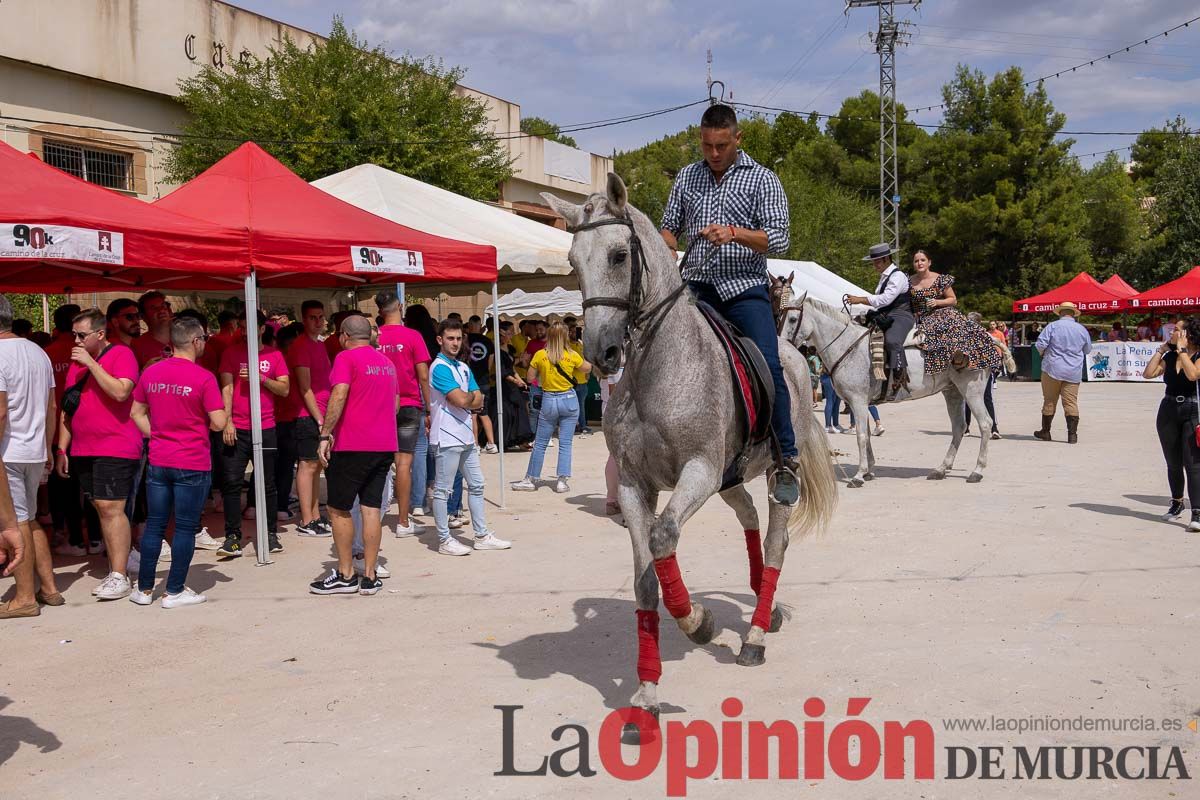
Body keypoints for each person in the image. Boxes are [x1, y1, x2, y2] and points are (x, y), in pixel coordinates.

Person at [660, 103, 799, 504]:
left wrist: (735, 233)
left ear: (738, 138)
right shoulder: (687, 177)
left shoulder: (763, 179)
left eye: (721, 145)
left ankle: (785, 458)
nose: (714, 153)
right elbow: (670, 229)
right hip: (697, 287)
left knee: (769, 366)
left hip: (744, 289)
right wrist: (667, 247)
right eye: (707, 145)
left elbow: (780, 239)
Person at [128, 317, 226, 608]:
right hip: (192, 460)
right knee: (184, 527)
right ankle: (174, 590)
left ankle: (144, 590)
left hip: (159, 458)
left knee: (155, 526)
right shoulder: (204, 377)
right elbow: (219, 422)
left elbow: (136, 412)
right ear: (196, 342)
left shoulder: (153, 372)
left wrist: (156, 434)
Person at [56, 308, 144, 599]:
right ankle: (122, 558)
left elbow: (121, 392)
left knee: (111, 508)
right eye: (74, 335)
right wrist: (61, 448)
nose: (76, 340)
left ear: (100, 334)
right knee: (100, 508)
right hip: (83, 447)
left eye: (82, 335)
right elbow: (69, 408)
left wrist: (92, 364)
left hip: (115, 445)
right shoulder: (76, 364)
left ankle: (118, 574)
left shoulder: (120, 355)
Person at [309, 316, 398, 596]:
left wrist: (325, 433)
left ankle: (346, 574)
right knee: (372, 509)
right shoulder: (386, 363)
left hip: (351, 445)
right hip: (384, 445)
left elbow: (339, 394)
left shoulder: (346, 359)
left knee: (338, 508)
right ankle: (370, 576)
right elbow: (395, 403)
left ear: (345, 335)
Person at [428, 319, 509, 555]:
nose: (455, 343)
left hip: (465, 436)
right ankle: (444, 539)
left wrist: (471, 398)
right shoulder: (439, 367)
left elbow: (479, 397)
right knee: (443, 491)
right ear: (440, 340)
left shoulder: (463, 367)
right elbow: (464, 400)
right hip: (446, 437)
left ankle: (482, 535)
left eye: (458, 338)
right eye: (450, 338)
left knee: (477, 485)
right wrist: (471, 398)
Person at [0, 295, 59, 618]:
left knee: (15, 520)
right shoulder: (38, 351)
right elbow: (51, 405)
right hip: (34, 450)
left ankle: (24, 597)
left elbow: (0, 412)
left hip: (7, 452)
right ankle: (48, 588)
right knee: (29, 518)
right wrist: (47, 445)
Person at [216, 311, 289, 557]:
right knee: (232, 483)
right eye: (242, 327)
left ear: (261, 329)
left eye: (250, 327)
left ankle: (269, 533)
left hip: (266, 427)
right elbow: (226, 387)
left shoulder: (274, 354)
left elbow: (285, 389)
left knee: (267, 484)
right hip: (237, 427)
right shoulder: (231, 353)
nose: (245, 332)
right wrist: (227, 421)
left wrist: (261, 378)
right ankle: (232, 537)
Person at [375, 292, 432, 538]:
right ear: (400, 306)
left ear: (379, 310)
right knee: (404, 464)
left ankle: (373, 517)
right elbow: (423, 375)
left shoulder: (373, 337)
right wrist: (430, 408)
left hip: (378, 406)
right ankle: (403, 521)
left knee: (377, 464)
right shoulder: (412, 336)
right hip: (409, 405)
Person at [511, 321, 592, 493]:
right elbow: (587, 368)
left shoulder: (541, 354)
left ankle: (531, 478)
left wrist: (543, 377)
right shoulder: (572, 354)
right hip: (569, 399)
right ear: (564, 336)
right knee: (565, 443)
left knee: (540, 443)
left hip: (549, 399)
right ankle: (562, 480)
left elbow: (531, 377)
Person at [907, 250, 1002, 379]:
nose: (919, 263)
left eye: (922, 260)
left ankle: (960, 356)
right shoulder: (909, 281)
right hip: (920, 317)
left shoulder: (940, 279)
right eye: (916, 261)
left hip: (941, 312)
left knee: (956, 326)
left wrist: (937, 302)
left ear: (929, 262)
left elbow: (953, 299)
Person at [1144, 318, 1200, 530]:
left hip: (1192, 410)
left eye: (1175, 330)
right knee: (1173, 461)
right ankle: (1176, 504)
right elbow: (1148, 373)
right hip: (1168, 409)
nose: (1171, 333)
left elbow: (1193, 374)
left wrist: (1184, 351)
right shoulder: (1169, 355)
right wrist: (1161, 350)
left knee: (1193, 464)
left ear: (1187, 334)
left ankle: (1197, 511)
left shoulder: (1197, 355)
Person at [846, 243, 914, 401]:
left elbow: (886, 299)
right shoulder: (885, 276)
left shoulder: (897, 276)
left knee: (892, 340)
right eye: (873, 262)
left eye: (876, 261)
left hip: (901, 314)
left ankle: (900, 382)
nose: (874, 265)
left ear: (886, 259)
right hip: (887, 314)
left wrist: (860, 300)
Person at [43, 303, 84, 552]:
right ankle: (93, 539)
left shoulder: (48, 354)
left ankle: (67, 534)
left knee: (62, 488)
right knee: (87, 489)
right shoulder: (87, 353)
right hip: (86, 431)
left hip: (57, 431)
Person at [289, 300, 332, 537]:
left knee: (316, 466)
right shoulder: (301, 346)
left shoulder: (319, 345)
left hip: (322, 414)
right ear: (304, 319)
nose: (318, 322)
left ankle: (315, 515)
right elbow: (305, 388)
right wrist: (318, 419)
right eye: (313, 317)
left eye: (321, 317)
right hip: (308, 415)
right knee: (307, 465)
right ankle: (306, 519)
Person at [1034, 302, 1092, 444]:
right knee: (1071, 402)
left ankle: (1046, 432)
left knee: (1049, 400)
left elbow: (1040, 344)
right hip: (1073, 371)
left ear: (1060, 313)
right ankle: (1072, 435)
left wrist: (1043, 354)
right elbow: (1088, 350)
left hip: (1052, 368)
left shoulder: (1052, 326)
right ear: (1073, 314)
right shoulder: (1082, 329)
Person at [273, 323, 303, 523]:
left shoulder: (274, 358)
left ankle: (256, 504)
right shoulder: (287, 361)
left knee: (275, 465)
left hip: (277, 418)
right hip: (287, 418)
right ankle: (280, 505)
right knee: (285, 466)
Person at [489, 321, 533, 452]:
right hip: (502, 385)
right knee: (505, 413)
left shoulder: (510, 349)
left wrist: (521, 381)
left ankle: (521, 440)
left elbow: (512, 368)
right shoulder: (496, 350)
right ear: (502, 334)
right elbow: (502, 372)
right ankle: (503, 441)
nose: (511, 335)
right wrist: (516, 381)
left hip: (512, 384)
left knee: (520, 409)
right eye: (509, 333)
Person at [965, 312, 1002, 439]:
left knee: (967, 400)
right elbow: (994, 355)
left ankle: (966, 428)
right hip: (985, 372)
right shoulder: (986, 335)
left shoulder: (963, 336)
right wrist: (995, 371)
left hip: (968, 372)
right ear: (980, 323)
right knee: (987, 399)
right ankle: (994, 429)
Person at [465, 315, 498, 452]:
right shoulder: (487, 341)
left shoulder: (465, 340)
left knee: (473, 414)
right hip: (484, 381)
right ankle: (491, 443)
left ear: (470, 325)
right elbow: (491, 361)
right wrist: (486, 372)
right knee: (483, 413)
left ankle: (475, 444)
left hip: (471, 381)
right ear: (480, 325)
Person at [563, 315, 593, 435]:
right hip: (572, 381)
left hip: (583, 380)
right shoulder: (567, 345)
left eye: (577, 331)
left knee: (581, 404)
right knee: (573, 405)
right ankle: (576, 425)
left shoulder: (580, 344)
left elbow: (586, 358)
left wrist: (588, 373)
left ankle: (582, 425)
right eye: (573, 331)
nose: (575, 333)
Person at [132, 291, 174, 367]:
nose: (161, 310)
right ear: (144, 317)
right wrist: (145, 371)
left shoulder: (185, 338)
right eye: (153, 308)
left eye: (163, 306)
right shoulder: (137, 346)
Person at [820, 364, 846, 434]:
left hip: (835, 378)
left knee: (837, 402)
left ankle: (836, 424)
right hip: (828, 377)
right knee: (830, 401)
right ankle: (828, 425)